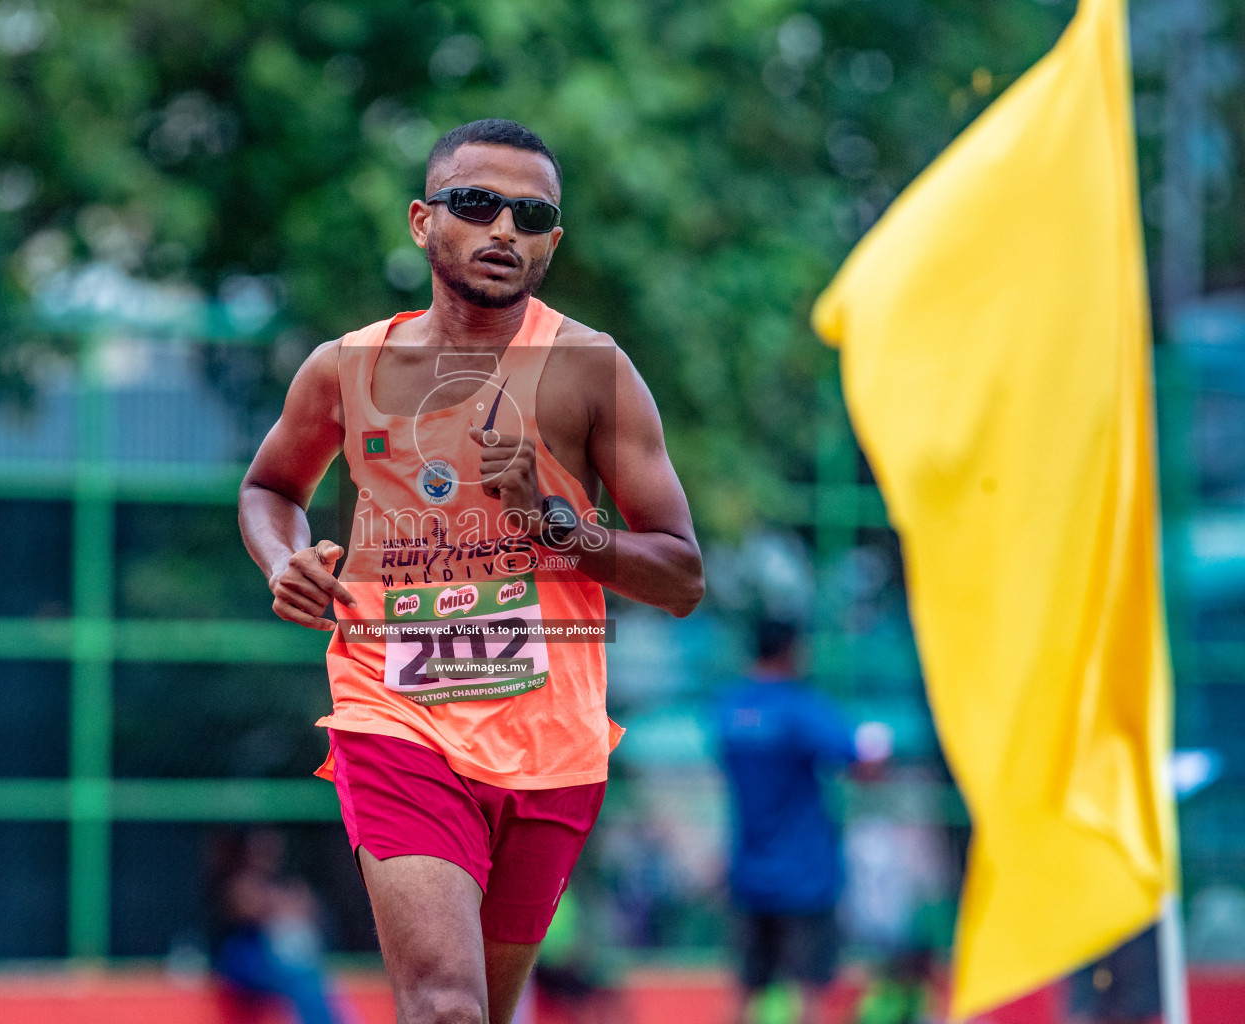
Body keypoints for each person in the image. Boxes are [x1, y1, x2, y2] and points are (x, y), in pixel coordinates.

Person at [239, 118, 704, 1024]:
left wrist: (556, 525)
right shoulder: (348, 367)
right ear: (422, 221)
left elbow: (681, 576)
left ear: (553, 242)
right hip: (395, 715)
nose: (504, 230)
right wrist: (285, 559)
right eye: (476, 204)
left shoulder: (589, 371)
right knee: (445, 1007)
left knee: (484, 1014)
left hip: (548, 742)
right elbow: (269, 487)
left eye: (531, 215)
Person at [710, 619, 892, 1024]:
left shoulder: (729, 709)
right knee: (806, 989)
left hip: (749, 870)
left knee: (747, 988)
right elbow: (859, 761)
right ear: (791, 650)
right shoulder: (799, 708)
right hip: (804, 873)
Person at [209, 828, 344, 1024]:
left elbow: (311, 912)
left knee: (310, 980)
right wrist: (279, 904)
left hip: (281, 960)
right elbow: (246, 908)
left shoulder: (287, 881)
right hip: (242, 958)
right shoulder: (237, 880)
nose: (267, 851)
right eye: (261, 845)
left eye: (272, 845)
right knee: (300, 980)